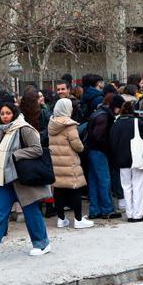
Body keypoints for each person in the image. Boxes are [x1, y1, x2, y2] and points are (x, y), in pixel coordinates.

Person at [0, 89, 52, 263]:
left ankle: (42, 243)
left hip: (21, 179)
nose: (5, 116)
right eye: (2, 113)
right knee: (0, 213)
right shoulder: (4, 130)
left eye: (8, 113)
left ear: (14, 113)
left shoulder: (24, 128)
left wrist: (17, 155)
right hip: (4, 178)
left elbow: (37, 149)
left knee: (31, 212)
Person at [48, 97, 92, 229]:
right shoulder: (69, 125)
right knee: (75, 188)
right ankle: (78, 220)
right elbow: (77, 145)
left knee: (59, 190)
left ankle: (61, 219)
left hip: (56, 162)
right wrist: (83, 148)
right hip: (70, 162)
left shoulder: (52, 123)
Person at [110, 99, 143, 222]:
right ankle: (138, 214)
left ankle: (129, 214)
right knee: (138, 184)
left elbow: (112, 142)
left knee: (126, 186)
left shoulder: (116, 123)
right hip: (137, 157)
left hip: (122, 159)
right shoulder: (137, 122)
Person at [83, 91, 119, 219]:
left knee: (94, 181)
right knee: (104, 180)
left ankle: (95, 210)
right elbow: (98, 136)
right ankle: (107, 209)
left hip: (91, 151)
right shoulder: (104, 116)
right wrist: (108, 148)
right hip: (99, 151)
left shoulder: (98, 113)